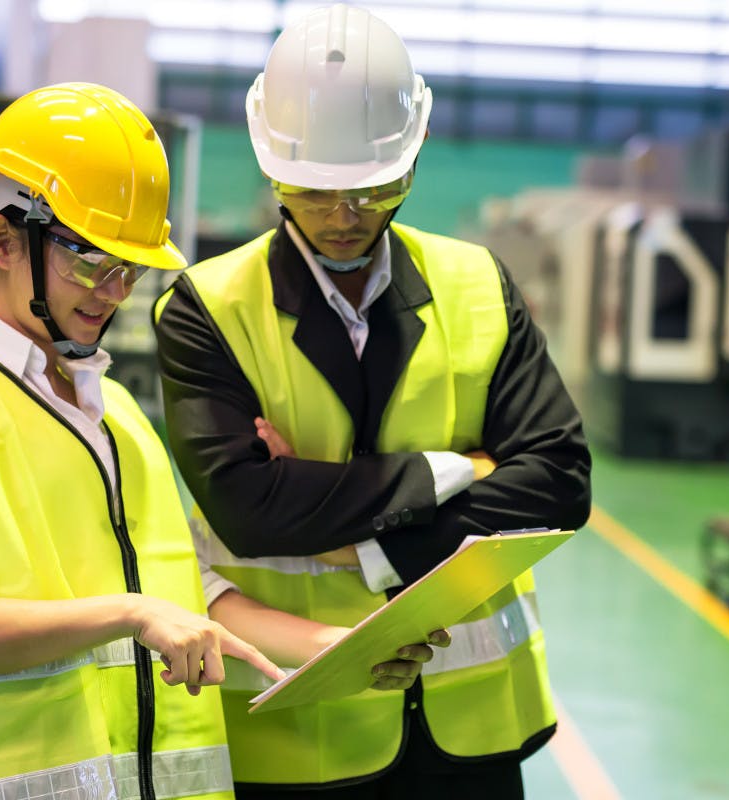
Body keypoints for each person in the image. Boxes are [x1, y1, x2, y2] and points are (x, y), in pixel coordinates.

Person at [0, 82, 443, 800]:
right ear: (3, 242)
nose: (112, 292)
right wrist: (131, 613)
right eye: (90, 262)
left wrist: (333, 647)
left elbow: (184, 594)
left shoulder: (116, 410)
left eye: (128, 270)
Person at [152, 6, 593, 799]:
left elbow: (559, 481)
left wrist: (359, 547)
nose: (343, 217)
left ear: (412, 158)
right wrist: (457, 470)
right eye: (315, 191)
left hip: (473, 731)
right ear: (272, 167)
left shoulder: (477, 285)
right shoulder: (206, 308)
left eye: (371, 189)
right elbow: (247, 510)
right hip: (304, 736)